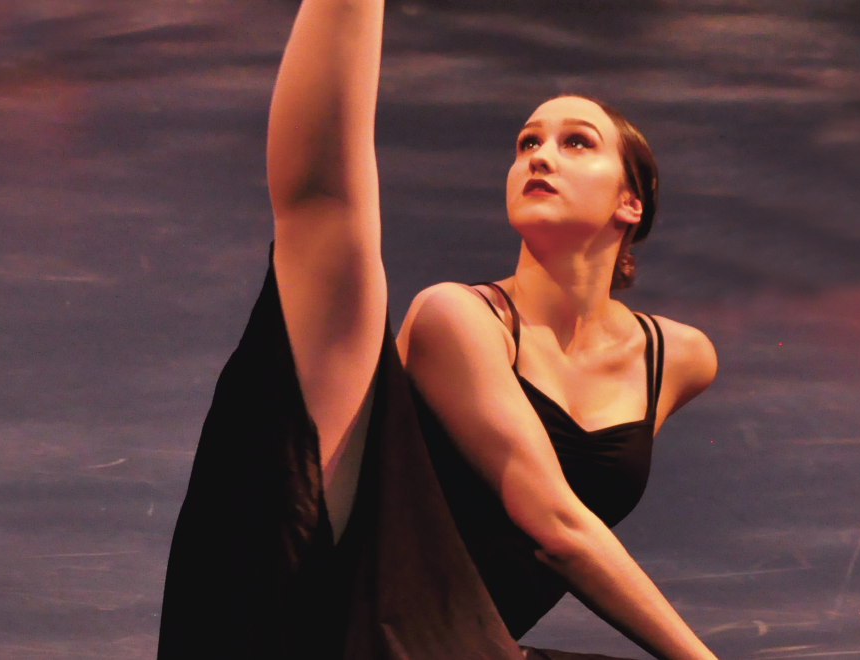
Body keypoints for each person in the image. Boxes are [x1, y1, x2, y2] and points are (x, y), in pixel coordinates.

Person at [156, 2, 721, 656]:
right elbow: (558, 527)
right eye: (527, 143)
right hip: (343, 625)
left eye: (576, 142)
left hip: (458, 643)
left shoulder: (680, 359)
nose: (540, 156)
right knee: (330, 226)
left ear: (632, 201)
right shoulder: (455, 317)